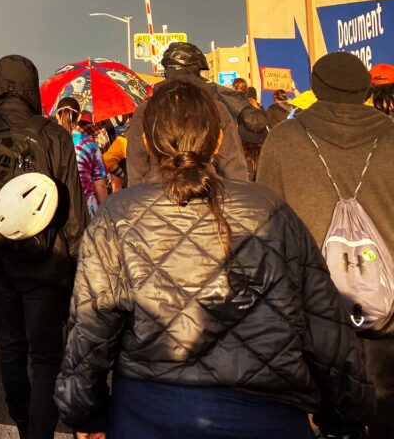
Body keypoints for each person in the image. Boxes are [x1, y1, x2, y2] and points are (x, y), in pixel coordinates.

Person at [55, 78, 374, 438]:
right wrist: (345, 413)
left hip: (148, 411)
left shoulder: (118, 214)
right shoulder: (271, 211)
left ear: (145, 141)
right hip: (267, 415)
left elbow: (91, 327)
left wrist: (83, 412)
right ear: (219, 139)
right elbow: (324, 325)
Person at [258, 50, 394, 437]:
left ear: (316, 87)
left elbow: (268, 229)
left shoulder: (284, 141)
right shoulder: (391, 136)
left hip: (313, 305)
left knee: (326, 416)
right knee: (386, 408)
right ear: (366, 91)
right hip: (388, 311)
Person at [0, 55, 88, 439]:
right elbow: (73, 211)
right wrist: (82, 273)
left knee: (11, 349)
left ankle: (25, 424)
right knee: (45, 357)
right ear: (32, 87)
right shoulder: (54, 134)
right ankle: (38, 433)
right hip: (47, 264)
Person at [127, 42, 248, 183]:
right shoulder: (216, 107)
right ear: (197, 74)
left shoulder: (145, 109)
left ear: (166, 72)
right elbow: (233, 162)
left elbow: (136, 162)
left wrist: (138, 198)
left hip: (157, 192)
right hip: (206, 190)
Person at [55, 97, 108, 217]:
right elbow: (100, 185)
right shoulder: (90, 145)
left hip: (58, 212)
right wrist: (105, 214)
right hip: (88, 212)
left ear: (57, 116)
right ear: (79, 117)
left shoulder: (50, 143)